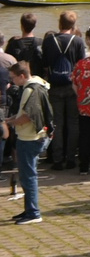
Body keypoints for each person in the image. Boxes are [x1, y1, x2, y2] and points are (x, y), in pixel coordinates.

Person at [10, 55, 50, 221]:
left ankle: (33, 213)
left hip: (29, 138)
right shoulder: (39, 83)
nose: (12, 82)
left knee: (28, 176)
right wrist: (12, 119)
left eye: (13, 78)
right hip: (38, 136)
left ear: (22, 76)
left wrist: (12, 123)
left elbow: (28, 116)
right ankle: (29, 209)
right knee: (27, 175)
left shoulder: (28, 90)